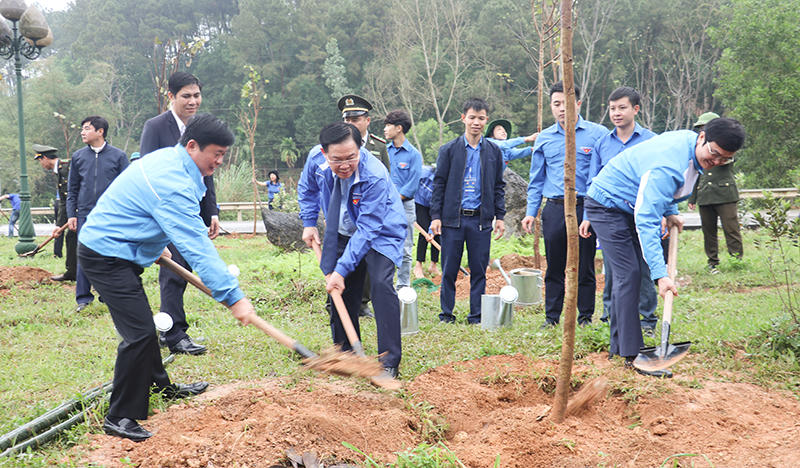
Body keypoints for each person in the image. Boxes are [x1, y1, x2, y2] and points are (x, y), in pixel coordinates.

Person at [78, 113, 255, 442]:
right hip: (105, 256)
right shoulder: (171, 181)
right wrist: (234, 297)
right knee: (141, 334)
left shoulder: (169, 159)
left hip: (121, 247)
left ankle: (163, 386)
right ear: (192, 146)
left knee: (143, 325)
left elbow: (140, 205)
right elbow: (197, 246)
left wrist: (152, 243)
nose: (219, 161)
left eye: (223, 155)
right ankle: (120, 416)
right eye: (216, 154)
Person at [585, 117, 745, 376]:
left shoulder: (691, 147)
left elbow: (666, 192)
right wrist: (661, 276)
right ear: (702, 137)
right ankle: (632, 355)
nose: (716, 162)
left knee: (631, 274)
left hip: (629, 203)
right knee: (630, 274)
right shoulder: (668, 164)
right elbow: (647, 219)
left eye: (724, 159)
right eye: (714, 154)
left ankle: (618, 347)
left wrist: (670, 211)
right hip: (608, 204)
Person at [297, 122, 405, 377]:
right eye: (337, 160)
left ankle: (389, 361)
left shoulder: (374, 175)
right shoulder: (316, 160)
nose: (344, 165)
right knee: (342, 290)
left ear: (360, 149)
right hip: (343, 229)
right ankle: (344, 353)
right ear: (325, 154)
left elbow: (368, 230)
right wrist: (309, 223)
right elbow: (307, 189)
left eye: (351, 157)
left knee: (380, 284)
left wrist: (341, 269)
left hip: (382, 231)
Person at [140, 71, 219, 356]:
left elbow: (208, 170)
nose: (193, 101)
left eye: (197, 95)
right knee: (175, 271)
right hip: (166, 212)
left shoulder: (202, 127)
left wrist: (212, 211)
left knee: (185, 268)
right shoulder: (156, 127)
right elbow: (147, 172)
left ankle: (169, 329)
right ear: (171, 96)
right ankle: (174, 334)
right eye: (186, 96)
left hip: (192, 211)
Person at [522, 82, 607, 328]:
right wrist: (531, 213)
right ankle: (551, 318)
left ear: (578, 104)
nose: (561, 109)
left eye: (566, 104)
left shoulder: (597, 134)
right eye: (556, 104)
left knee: (585, 266)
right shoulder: (545, 138)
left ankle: (585, 317)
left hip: (585, 208)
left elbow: (602, 175)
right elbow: (536, 180)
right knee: (555, 266)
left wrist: (593, 210)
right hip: (555, 209)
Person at [578, 87, 659, 337]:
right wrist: (587, 217)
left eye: (622, 108)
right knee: (614, 267)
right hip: (611, 213)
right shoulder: (603, 143)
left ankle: (647, 318)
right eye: (612, 108)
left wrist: (667, 213)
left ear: (635, 109)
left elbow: (661, 178)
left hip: (642, 212)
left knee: (643, 264)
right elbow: (593, 180)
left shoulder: (650, 141)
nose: (616, 113)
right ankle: (609, 315)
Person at [430, 98, 506, 324]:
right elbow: (439, 184)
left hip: (480, 221)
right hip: (453, 219)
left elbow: (499, 186)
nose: (476, 122)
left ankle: (476, 315)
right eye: (472, 117)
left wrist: (499, 216)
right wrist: (436, 216)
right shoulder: (449, 150)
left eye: (481, 118)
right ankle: (446, 314)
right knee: (449, 269)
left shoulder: (493, 151)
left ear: (486, 121)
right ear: (463, 118)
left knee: (479, 270)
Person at [67, 116, 129, 312]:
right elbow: (72, 189)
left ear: (100, 131)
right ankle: (83, 298)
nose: (82, 132)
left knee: (110, 255)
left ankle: (107, 295)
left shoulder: (118, 157)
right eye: (82, 129)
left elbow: (127, 188)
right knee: (84, 255)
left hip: (112, 215)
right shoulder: (78, 157)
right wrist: (71, 215)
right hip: (85, 214)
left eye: (87, 128)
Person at [687, 112, 743, 274]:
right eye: (701, 128)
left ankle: (736, 260)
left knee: (731, 228)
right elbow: (695, 175)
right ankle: (713, 262)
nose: (702, 130)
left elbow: (726, 159)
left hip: (725, 194)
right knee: (708, 231)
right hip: (705, 195)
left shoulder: (727, 147)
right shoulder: (699, 148)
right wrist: (692, 197)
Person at [384, 109, 423, 288]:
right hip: (383, 206)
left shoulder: (413, 154)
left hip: (405, 206)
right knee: (383, 246)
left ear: (399, 128)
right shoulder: (385, 151)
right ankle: (385, 285)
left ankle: (403, 286)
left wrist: (394, 198)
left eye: (388, 126)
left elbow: (413, 184)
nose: (385, 129)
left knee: (406, 248)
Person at [33, 144, 77, 282]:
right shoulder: (58, 171)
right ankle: (72, 272)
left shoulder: (67, 167)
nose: (41, 164)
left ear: (45, 158)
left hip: (83, 209)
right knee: (71, 238)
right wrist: (59, 225)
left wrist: (74, 214)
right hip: (72, 209)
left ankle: (76, 273)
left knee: (74, 238)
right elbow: (64, 200)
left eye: (40, 161)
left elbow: (74, 192)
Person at [338, 94, 390, 168]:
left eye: (355, 120)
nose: (350, 124)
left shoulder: (379, 146)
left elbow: (386, 176)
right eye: (347, 120)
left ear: (368, 121)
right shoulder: (338, 145)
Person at [413, 165, 441, 278]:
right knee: (424, 231)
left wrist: (432, 231)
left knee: (437, 231)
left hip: (436, 205)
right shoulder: (423, 173)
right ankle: (418, 265)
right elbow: (411, 184)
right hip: (420, 202)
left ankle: (433, 265)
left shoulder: (447, 182)